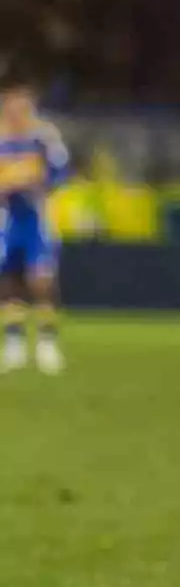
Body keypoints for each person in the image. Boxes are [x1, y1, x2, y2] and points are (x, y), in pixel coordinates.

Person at [0, 79, 71, 374]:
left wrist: (38, 182)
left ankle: (47, 342)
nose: (15, 109)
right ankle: (13, 343)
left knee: (41, 280)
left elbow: (61, 171)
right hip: (5, 220)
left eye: (21, 103)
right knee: (8, 281)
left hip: (36, 218)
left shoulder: (44, 136)